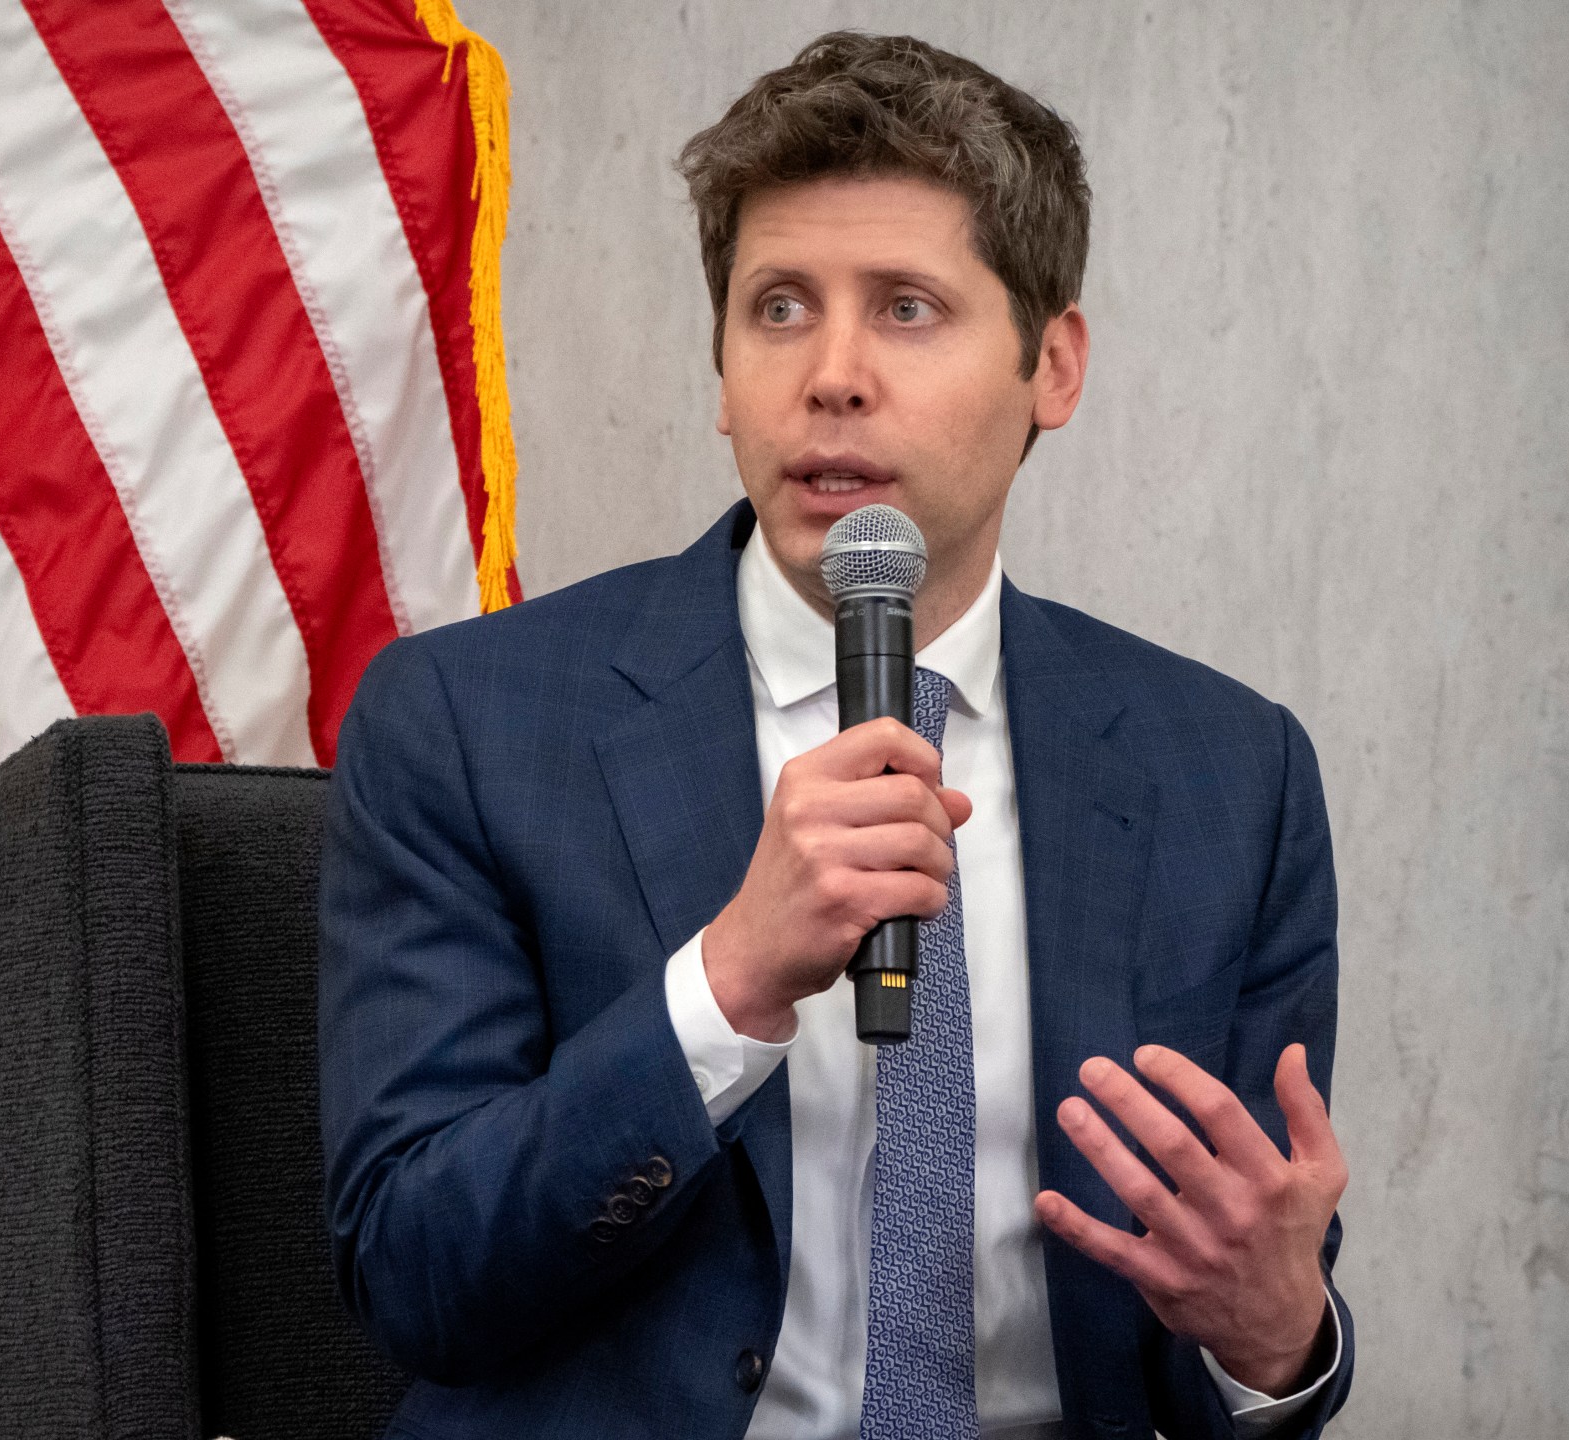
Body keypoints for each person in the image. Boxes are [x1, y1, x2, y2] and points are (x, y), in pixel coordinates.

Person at [319, 31, 1354, 1440]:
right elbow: (414, 1276)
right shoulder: (467, 723)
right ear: (723, 364)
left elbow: (1241, 1318)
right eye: (781, 308)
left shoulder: (1233, 777)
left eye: (910, 309)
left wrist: (1278, 1336)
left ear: (1053, 364)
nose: (834, 375)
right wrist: (726, 983)